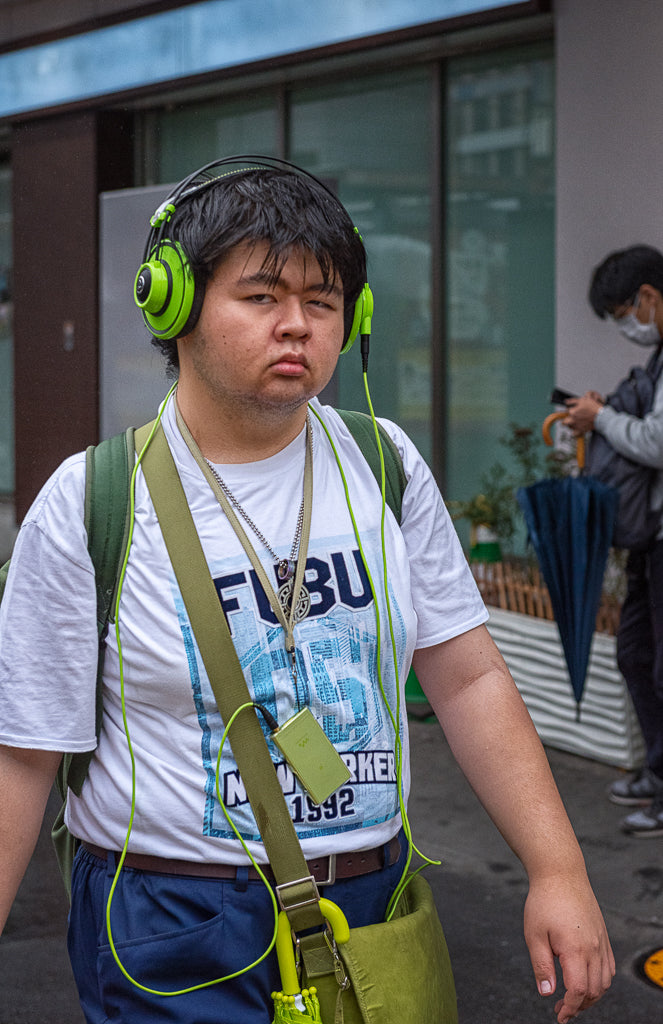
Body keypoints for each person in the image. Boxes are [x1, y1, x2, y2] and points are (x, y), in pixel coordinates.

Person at [0, 158, 613, 1024]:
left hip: (372, 909)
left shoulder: (383, 464)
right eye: (261, 296)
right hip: (171, 926)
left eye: (321, 301)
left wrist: (559, 871)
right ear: (171, 303)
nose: (296, 325)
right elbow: (24, 752)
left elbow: (468, 678)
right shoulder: (94, 498)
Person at [565, 243, 663, 838]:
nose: (627, 327)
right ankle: (656, 771)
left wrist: (599, 420)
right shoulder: (655, 361)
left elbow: (657, 442)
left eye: (625, 312)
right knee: (635, 655)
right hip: (652, 539)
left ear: (648, 298)